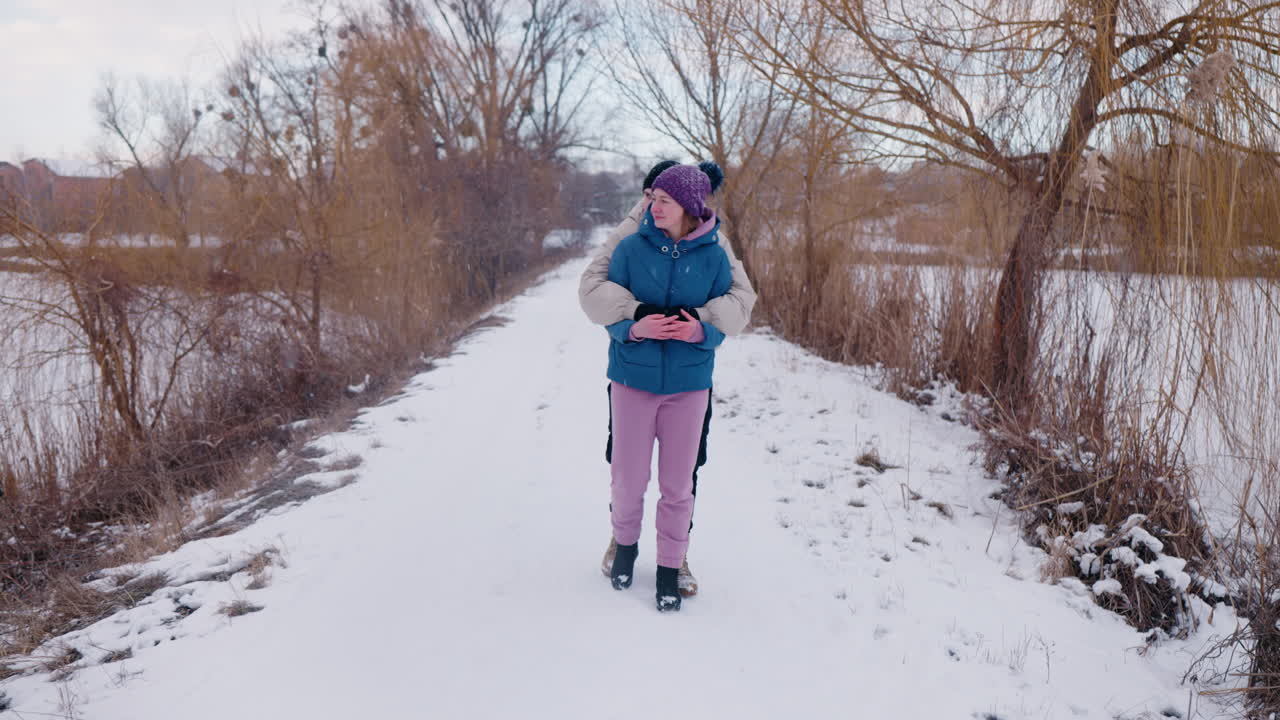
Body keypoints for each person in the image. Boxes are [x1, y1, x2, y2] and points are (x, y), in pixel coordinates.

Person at [580, 160, 756, 600]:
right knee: (625, 467)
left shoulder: (715, 247)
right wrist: (634, 320)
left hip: (689, 379)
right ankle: (621, 540)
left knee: (684, 472)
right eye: (649, 196)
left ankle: (675, 558)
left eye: (662, 198)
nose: (652, 205)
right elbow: (593, 289)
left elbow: (739, 298)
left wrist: (701, 325)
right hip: (633, 375)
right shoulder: (630, 237)